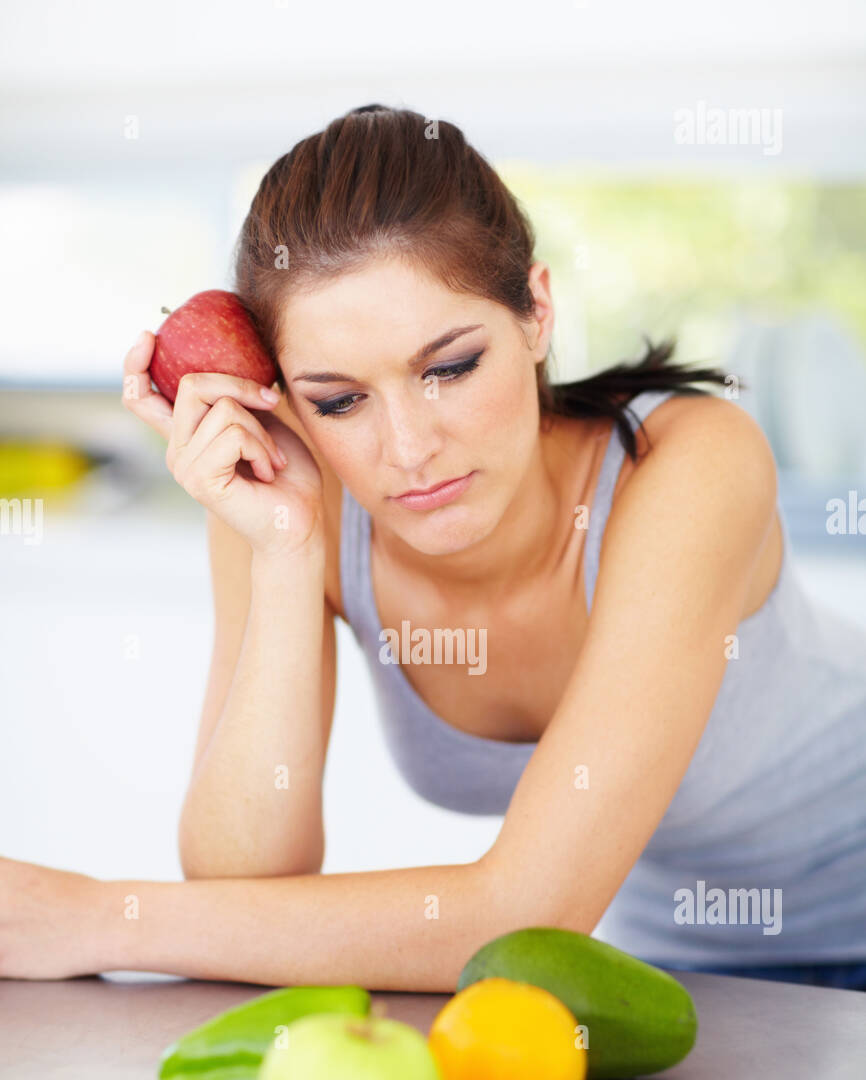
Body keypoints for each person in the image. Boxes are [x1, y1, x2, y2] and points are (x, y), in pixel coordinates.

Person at [4, 104, 866, 991]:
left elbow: (522, 913)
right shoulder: (285, 508)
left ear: (535, 311)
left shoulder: (689, 467)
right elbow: (241, 889)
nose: (409, 449)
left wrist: (99, 918)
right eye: (339, 400)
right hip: (671, 964)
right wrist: (290, 551)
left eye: (449, 368)